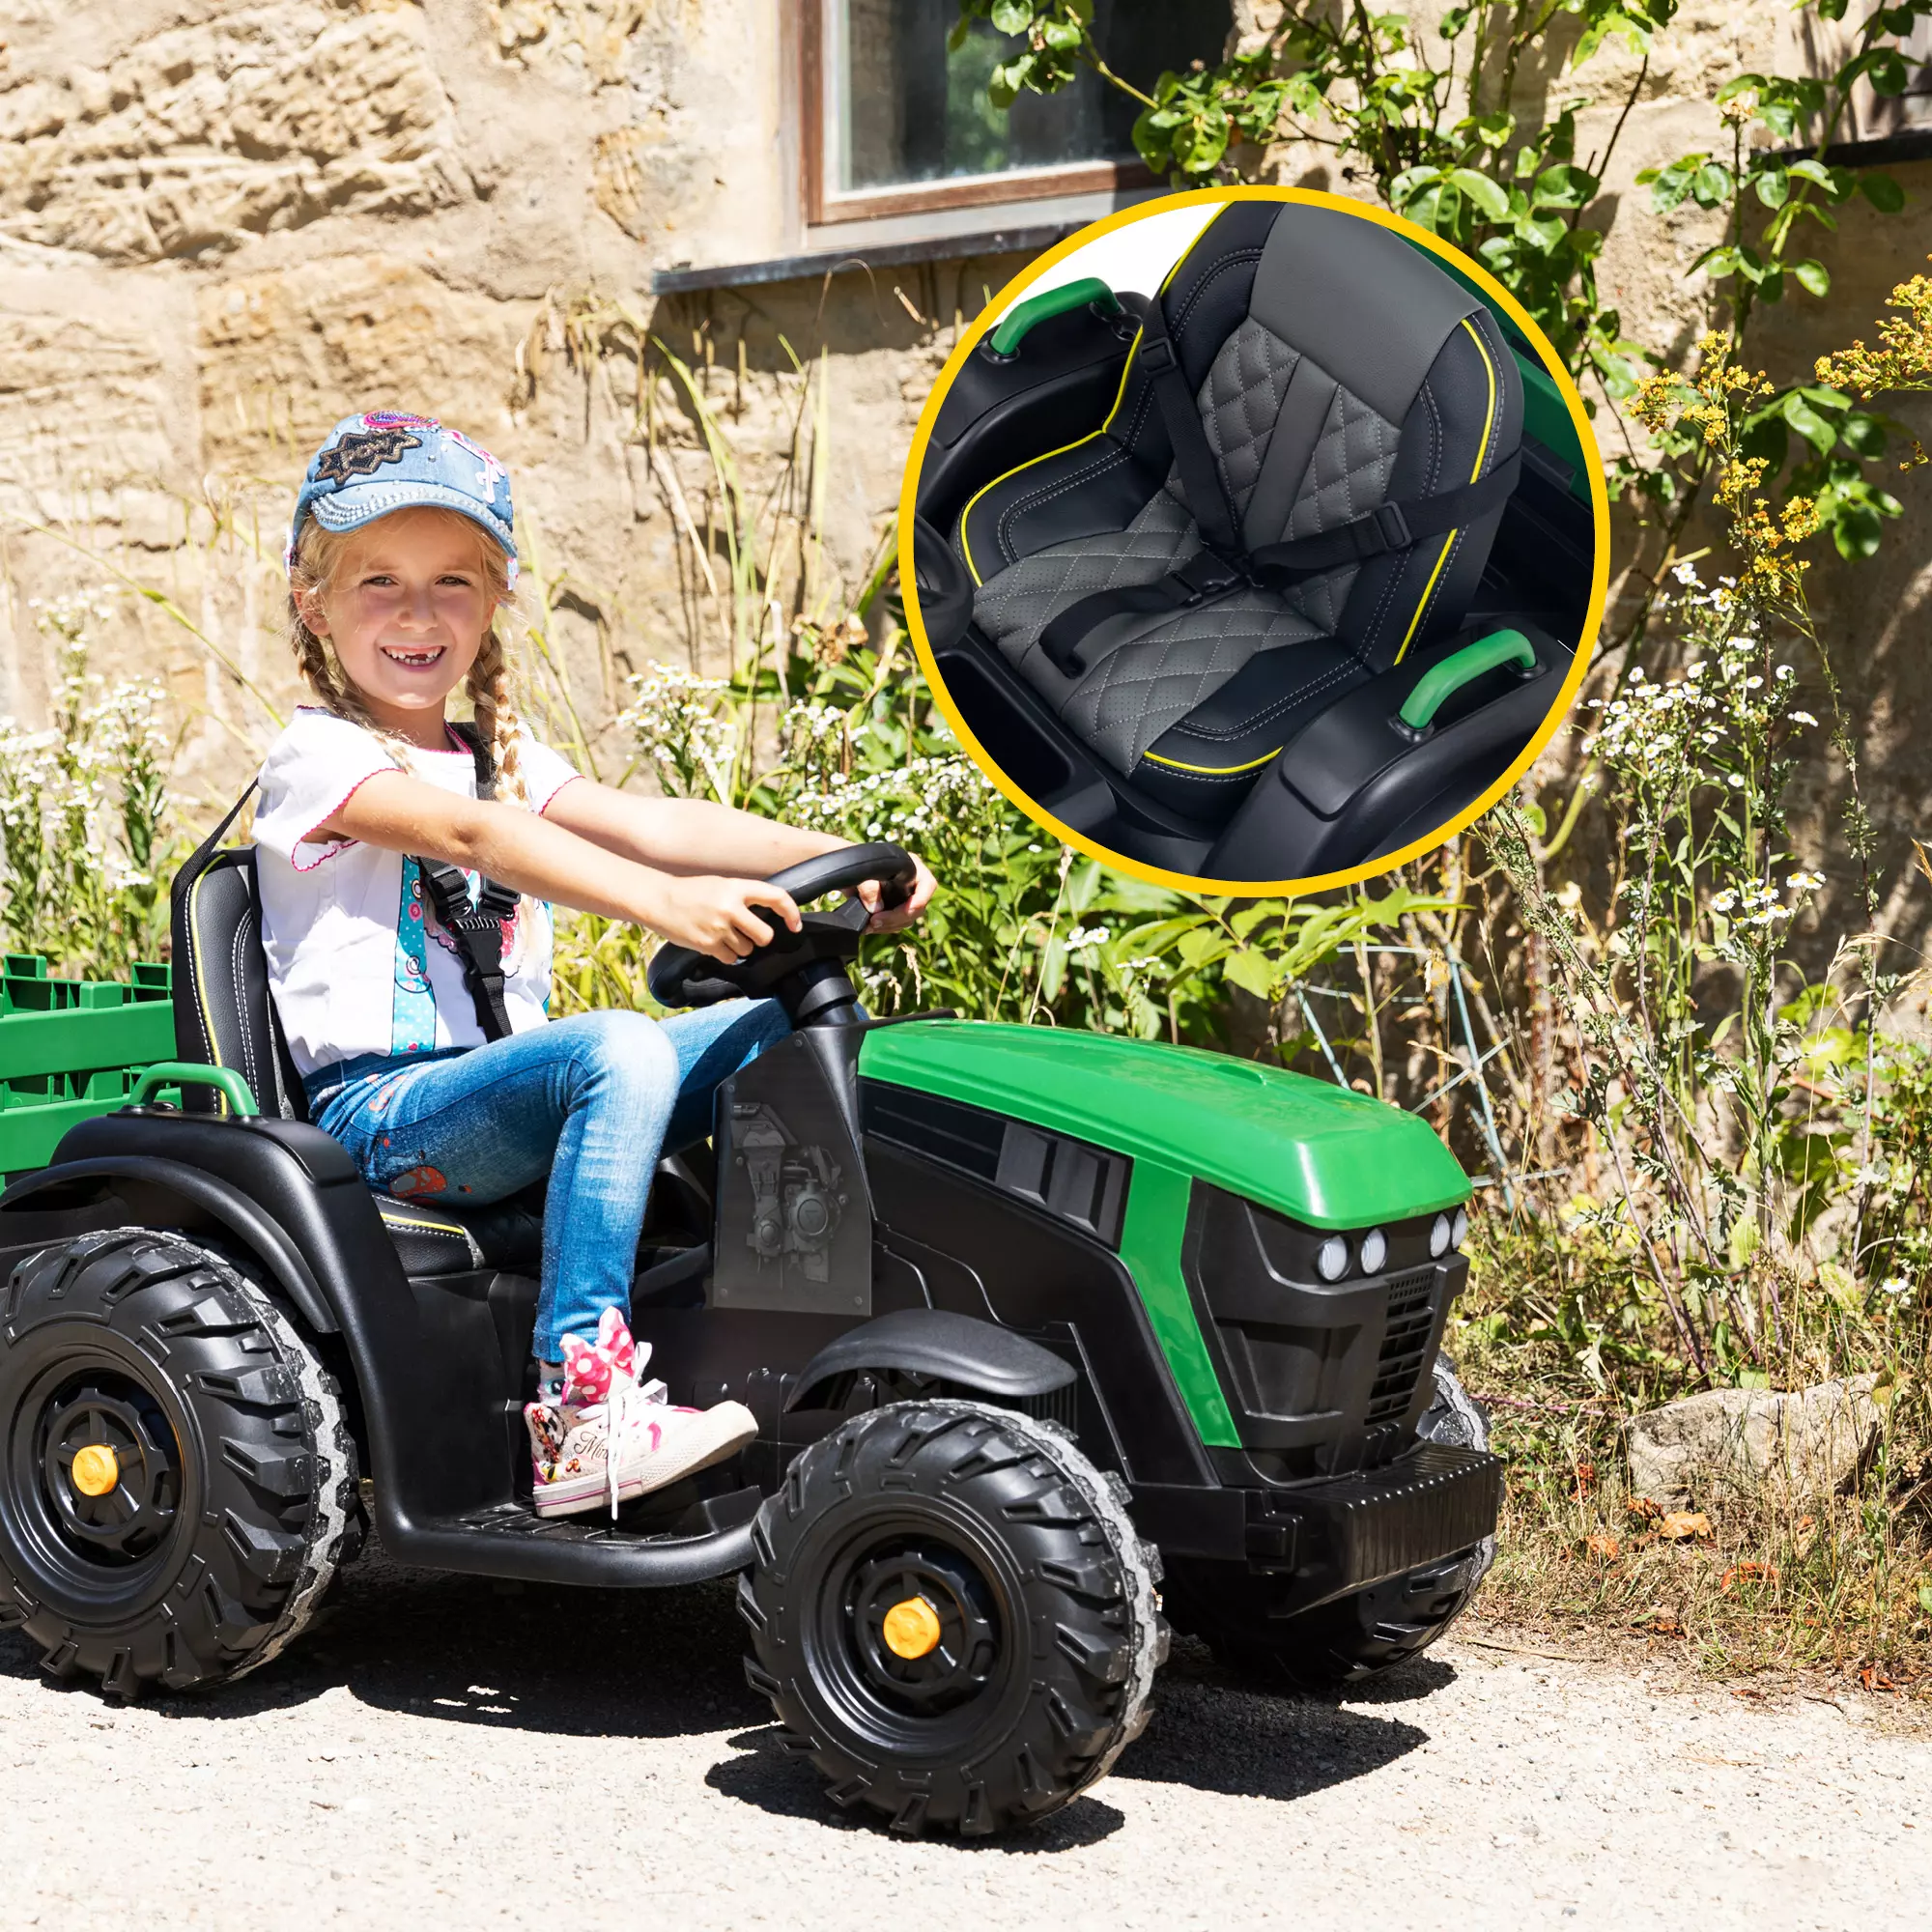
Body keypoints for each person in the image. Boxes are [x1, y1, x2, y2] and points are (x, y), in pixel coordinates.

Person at [251, 411, 935, 1518]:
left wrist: (831, 859)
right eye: (379, 581)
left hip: (492, 1105)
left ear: (496, 600)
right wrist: (665, 908)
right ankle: (580, 1409)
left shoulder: (497, 757)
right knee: (617, 1043)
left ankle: (803, 1340)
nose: (418, 615)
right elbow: (479, 841)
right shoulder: (315, 757)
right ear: (312, 600)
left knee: (793, 1026)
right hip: (381, 1114)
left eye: (453, 583)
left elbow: (653, 824)